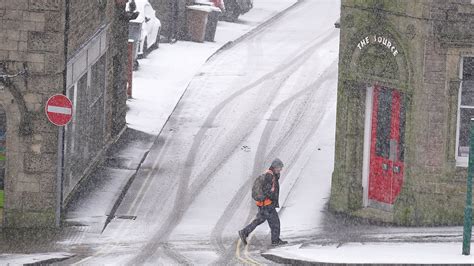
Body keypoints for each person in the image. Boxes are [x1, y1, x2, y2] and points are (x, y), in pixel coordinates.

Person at [238, 158, 288, 246]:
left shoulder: (271, 174)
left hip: (264, 205)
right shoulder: (270, 175)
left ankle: (244, 232)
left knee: (259, 220)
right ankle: (275, 241)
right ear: (275, 167)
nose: (281, 169)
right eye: (280, 167)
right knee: (275, 223)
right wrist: (271, 198)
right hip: (267, 205)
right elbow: (266, 190)